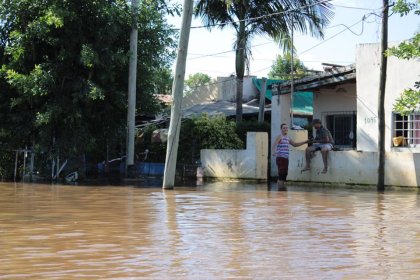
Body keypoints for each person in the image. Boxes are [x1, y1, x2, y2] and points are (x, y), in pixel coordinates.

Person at [272, 123, 309, 190]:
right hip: (281, 158)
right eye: (284, 128)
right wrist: (274, 152)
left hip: (286, 158)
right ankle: (280, 192)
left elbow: (295, 144)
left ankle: (280, 190)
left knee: (284, 175)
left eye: (286, 128)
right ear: (281, 129)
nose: (285, 129)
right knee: (281, 175)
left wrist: (305, 142)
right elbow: (274, 145)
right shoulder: (280, 136)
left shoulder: (288, 138)